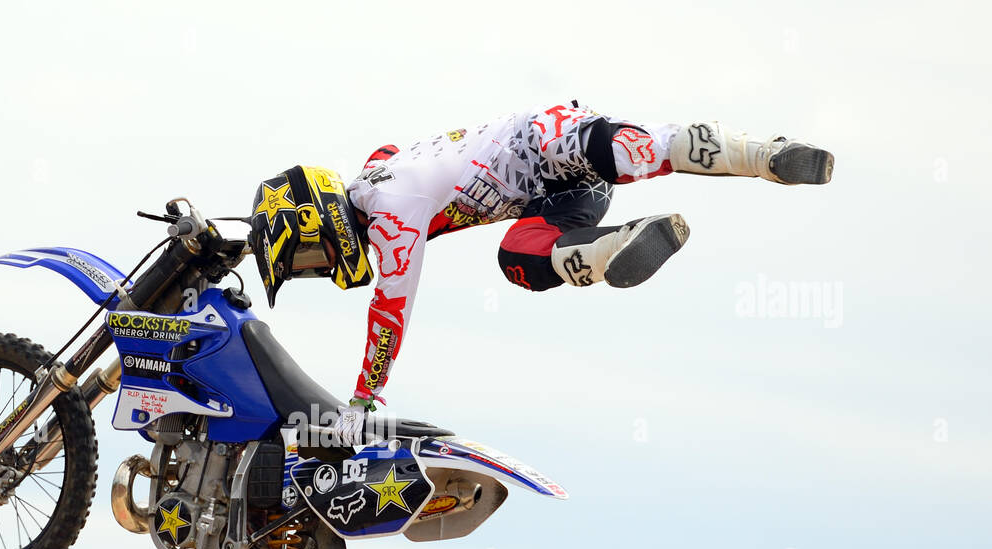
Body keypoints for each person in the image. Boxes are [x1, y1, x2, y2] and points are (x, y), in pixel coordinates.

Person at [248, 102, 833, 444]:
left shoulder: (393, 214)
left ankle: (765, 154)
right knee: (518, 261)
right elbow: (384, 151)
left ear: (318, 217)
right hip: (553, 202)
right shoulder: (374, 182)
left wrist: (364, 399)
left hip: (542, 140)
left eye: (306, 258)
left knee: (634, 153)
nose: (318, 269)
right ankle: (615, 247)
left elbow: (391, 306)